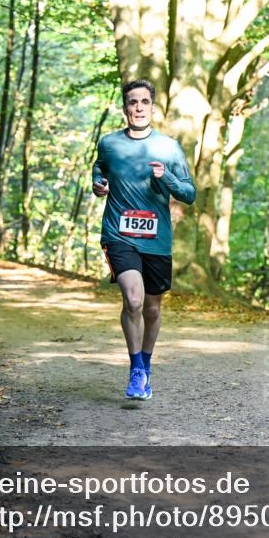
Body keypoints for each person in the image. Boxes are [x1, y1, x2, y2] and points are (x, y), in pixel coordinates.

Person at [92, 79, 195, 400]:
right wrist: (99, 184)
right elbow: (99, 168)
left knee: (151, 309)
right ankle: (136, 371)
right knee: (133, 300)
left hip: (157, 240)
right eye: (132, 102)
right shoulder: (109, 144)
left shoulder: (168, 148)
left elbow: (189, 193)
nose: (138, 108)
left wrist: (168, 178)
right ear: (125, 109)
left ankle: (147, 365)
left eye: (144, 102)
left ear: (153, 107)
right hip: (119, 234)